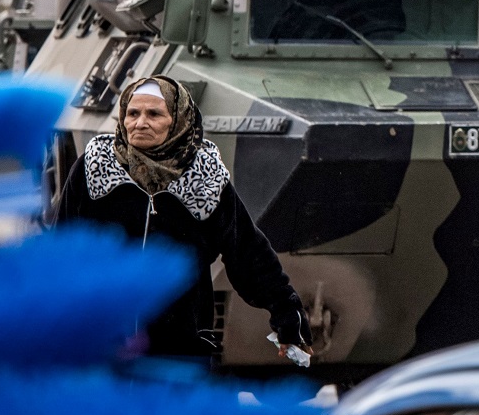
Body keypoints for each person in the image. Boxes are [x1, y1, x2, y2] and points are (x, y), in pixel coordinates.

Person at [53, 76, 313, 362]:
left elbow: (247, 253)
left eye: (154, 114)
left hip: (181, 350)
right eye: (132, 113)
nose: (140, 123)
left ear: (177, 121)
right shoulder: (94, 169)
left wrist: (287, 313)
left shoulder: (206, 178)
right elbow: (61, 249)